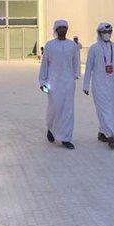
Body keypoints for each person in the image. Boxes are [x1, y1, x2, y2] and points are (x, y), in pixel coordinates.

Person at [83, 22, 114, 148]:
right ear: (99, 33)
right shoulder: (94, 48)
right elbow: (88, 68)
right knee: (103, 109)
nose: (107, 34)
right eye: (104, 32)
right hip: (99, 84)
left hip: (113, 84)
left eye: (109, 32)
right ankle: (111, 135)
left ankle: (102, 132)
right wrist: (86, 85)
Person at [38, 19, 80, 148]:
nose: (62, 30)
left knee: (68, 110)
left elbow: (76, 63)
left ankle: (66, 138)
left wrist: (75, 76)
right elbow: (44, 65)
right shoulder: (50, 45)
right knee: (54, 108)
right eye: (60, 28)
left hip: (68, 83)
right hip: (53, 83)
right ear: (56, 30)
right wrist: (42, 82)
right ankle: (50, 127)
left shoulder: (72, 46)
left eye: (64, 28)